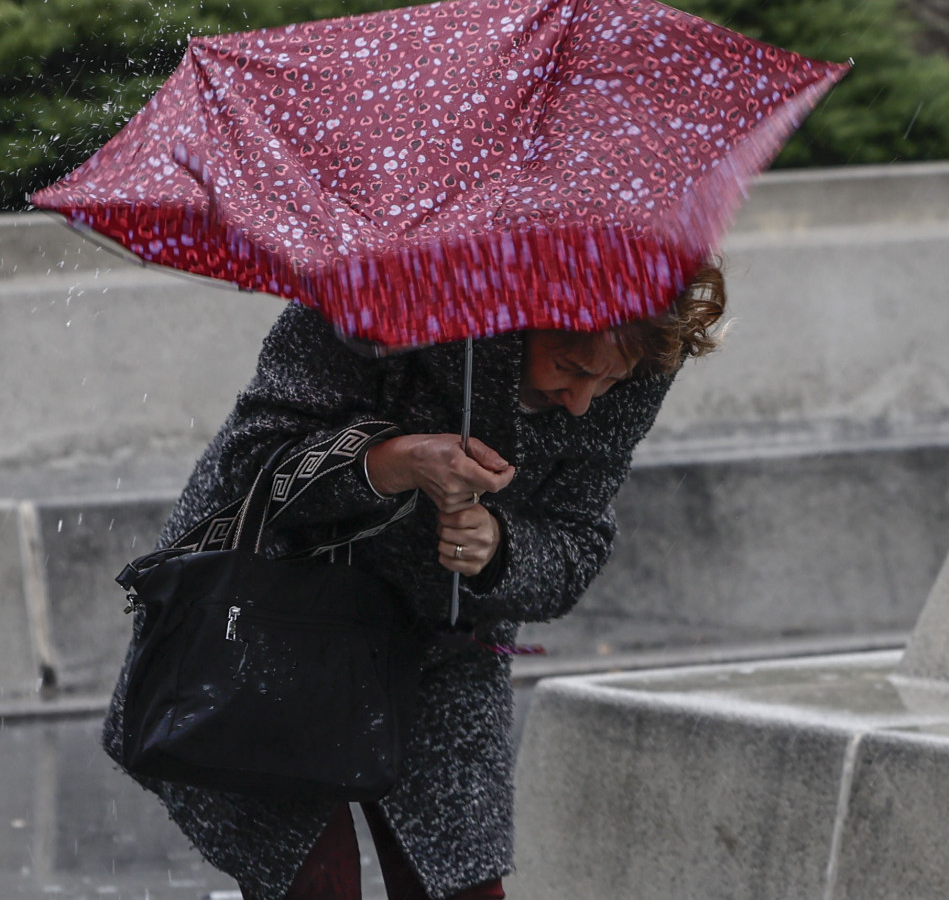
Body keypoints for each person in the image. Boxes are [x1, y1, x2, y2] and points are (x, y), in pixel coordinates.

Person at [103, 261, 726, 900]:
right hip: (273, 616)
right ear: (524, 317)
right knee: (314, 882)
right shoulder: (377, 289)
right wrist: (392, 463)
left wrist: (501, 547)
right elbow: (254, 460)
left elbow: (577, 535)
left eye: (609, 379)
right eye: (568, 367)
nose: (582, 401)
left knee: (463, 886)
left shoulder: (643, 352)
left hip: (440, 638)